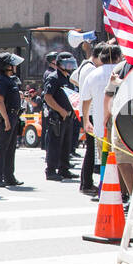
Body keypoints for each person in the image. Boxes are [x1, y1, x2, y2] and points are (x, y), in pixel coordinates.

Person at [77, 42, 120, 195]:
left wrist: (86, 120)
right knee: (119, 160)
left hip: (99, 124)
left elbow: (85, 100)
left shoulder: (93, 74)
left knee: (104, 158)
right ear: (117, 57)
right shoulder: (120, 73)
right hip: (119, 126)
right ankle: (116, 190)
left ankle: (104, 188)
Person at [0, 51, 25, 188]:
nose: (15, 66)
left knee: (11, 147)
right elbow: (0, 101)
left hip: (14, 115)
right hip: (7, 115)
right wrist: (6, 119)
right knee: (1, 147)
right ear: (7, 66)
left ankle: (9, 176)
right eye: (12, 64)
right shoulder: (2, 80)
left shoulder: (10, 79)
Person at [43, 52, 77, 180]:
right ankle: (51, 170)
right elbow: (48, 97)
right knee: (54, 143)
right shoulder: (53, 77)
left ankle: (64, 169)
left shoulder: (69, 78)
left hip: (68, 116)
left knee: (66, 144)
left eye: (70, 63)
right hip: (57, 117)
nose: (69, 66)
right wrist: (61, 110)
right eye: (66, 63)